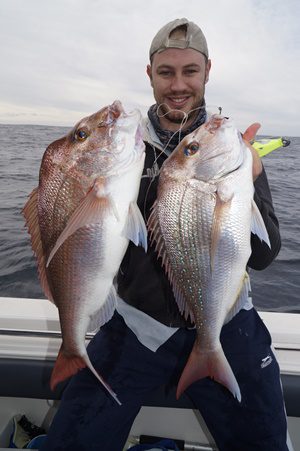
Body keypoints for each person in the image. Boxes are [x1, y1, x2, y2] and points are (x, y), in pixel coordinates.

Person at [41, 18, 292, 451]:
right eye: (166, 72)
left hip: (227, 325)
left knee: (266, 442)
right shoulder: (126, 143)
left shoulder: (228, 148)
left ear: (208, 70)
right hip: (139, 325)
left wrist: (254, 170)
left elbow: (265, 254)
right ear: (150, 74)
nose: (178, 84)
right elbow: (80, 227)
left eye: (190, 71)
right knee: (73, 440)